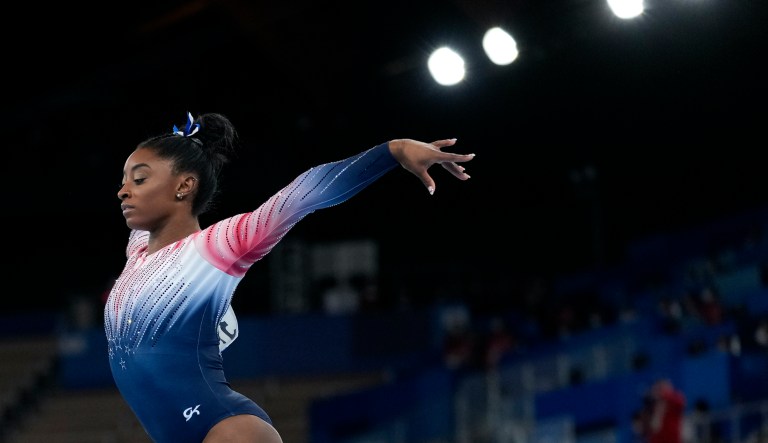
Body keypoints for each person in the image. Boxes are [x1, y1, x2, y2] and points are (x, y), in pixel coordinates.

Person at [105, 111, 475, 443]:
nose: (123, 190)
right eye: (124, 179)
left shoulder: (216, 247)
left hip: (228, 429)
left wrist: (391, 152)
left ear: (184, 186)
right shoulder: (137, 250)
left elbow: (301, 196)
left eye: (139, 179)